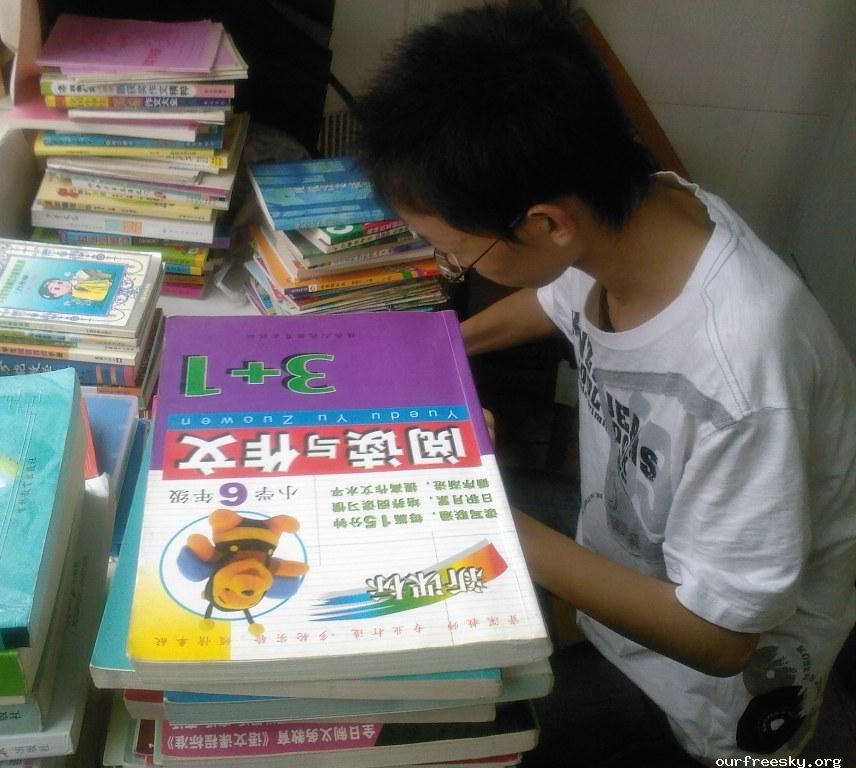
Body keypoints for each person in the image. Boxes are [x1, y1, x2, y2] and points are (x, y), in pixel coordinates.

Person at [354, 4, 856, 766]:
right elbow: (550, 300)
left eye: (454, 253)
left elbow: (721, 640)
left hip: (703, 703)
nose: (452, 268)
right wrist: (434, 355)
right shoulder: (637, 215)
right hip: (622, 585)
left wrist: (482, 516)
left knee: (432, 736)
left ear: (546, 225)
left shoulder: (742, 376)